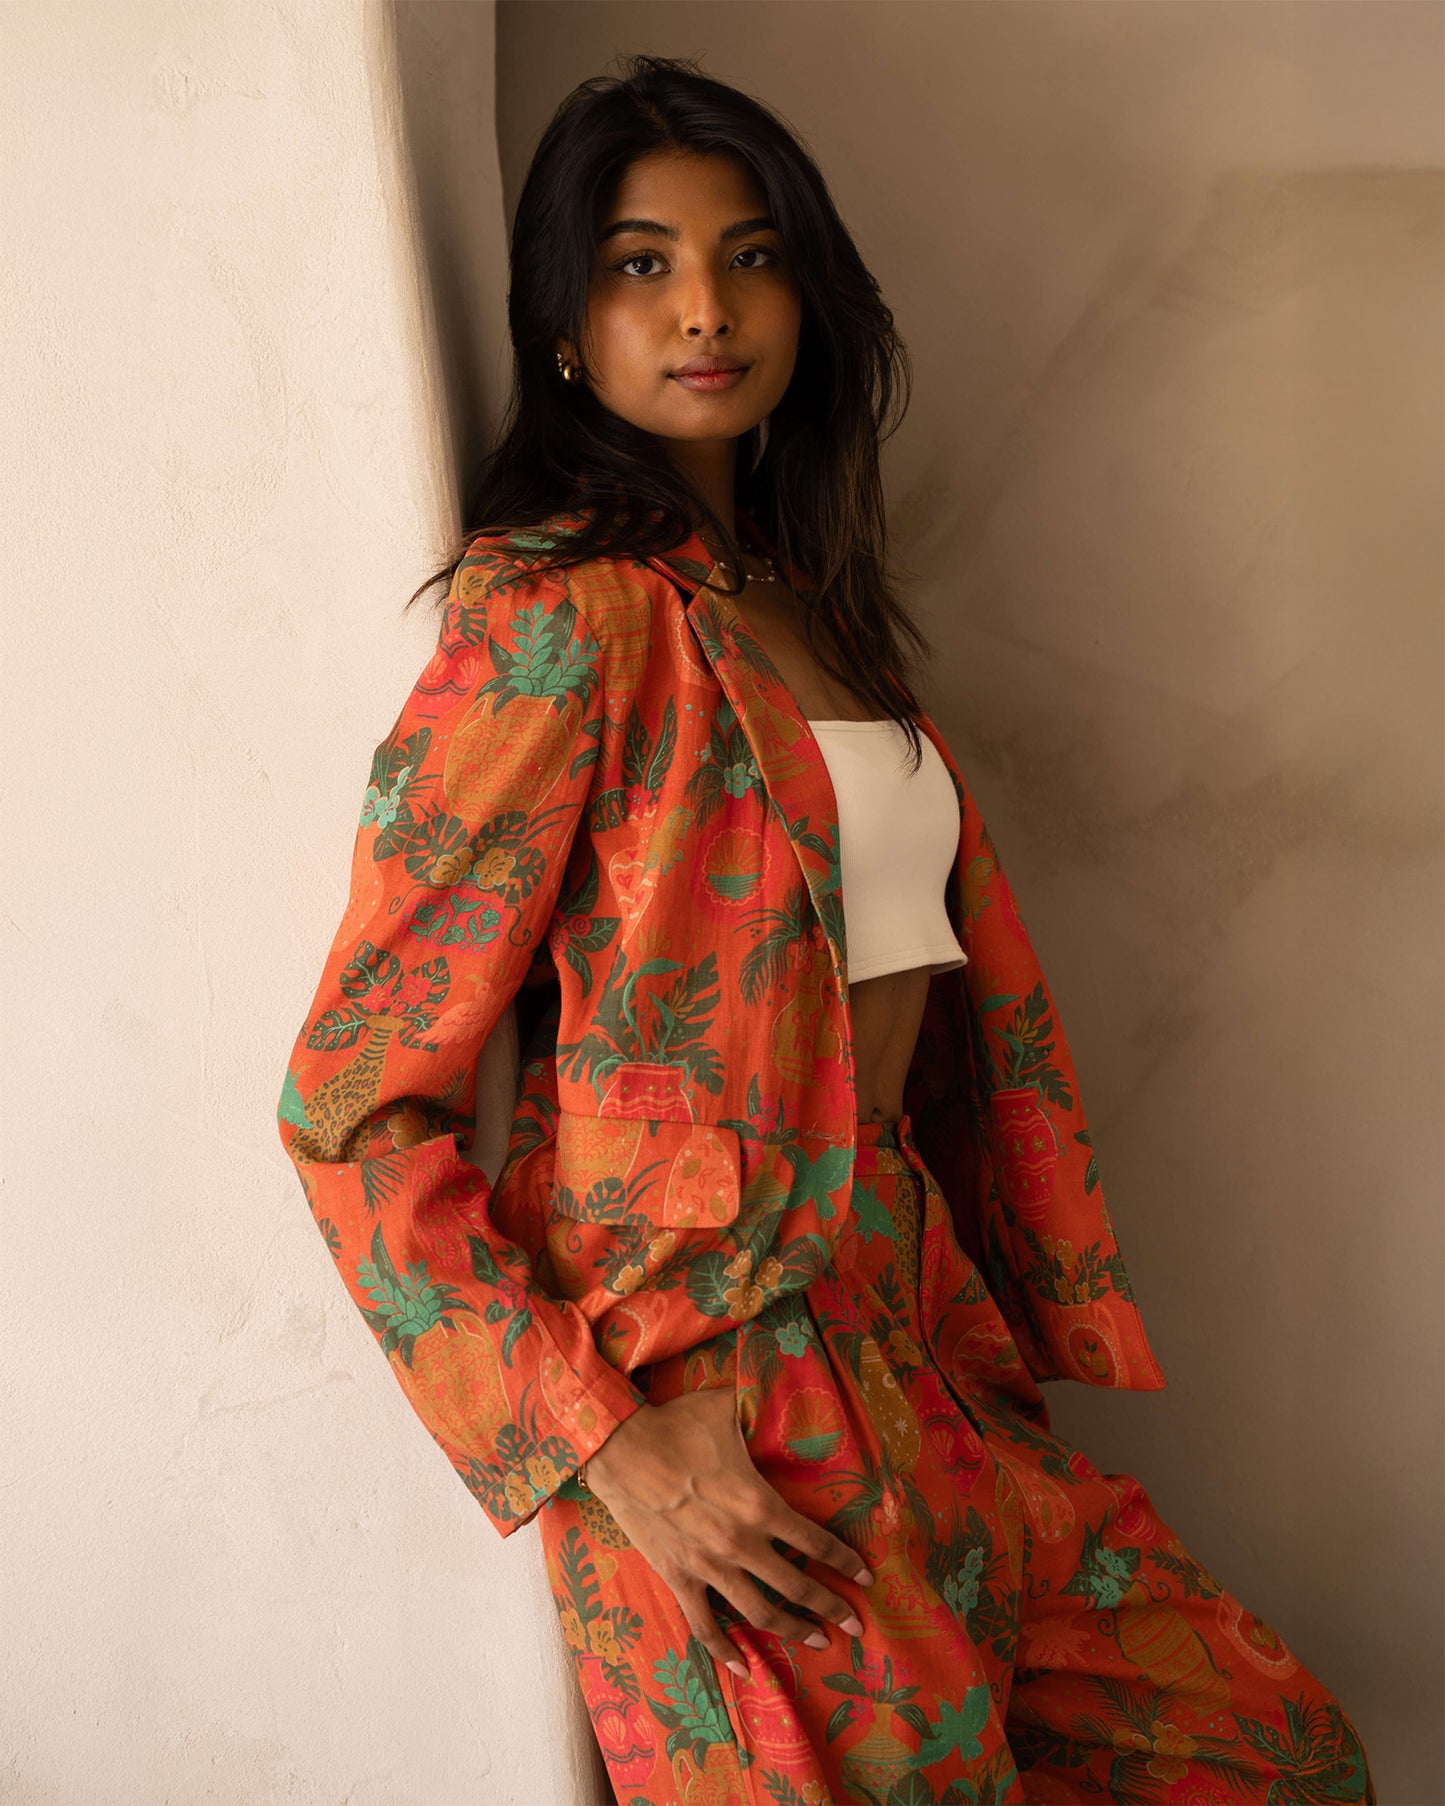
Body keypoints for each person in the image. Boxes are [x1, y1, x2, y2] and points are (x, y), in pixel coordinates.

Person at [276, 52, 1375, 1806]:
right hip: (718, 1385)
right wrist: (604, 1445)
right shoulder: (560, 620)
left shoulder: (804, 604)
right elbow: (351, 1105)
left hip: (914, 1325)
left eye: (750, 255)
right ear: (560, 323)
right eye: (638, 264)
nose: (703, 308)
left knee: (1276, 1756)